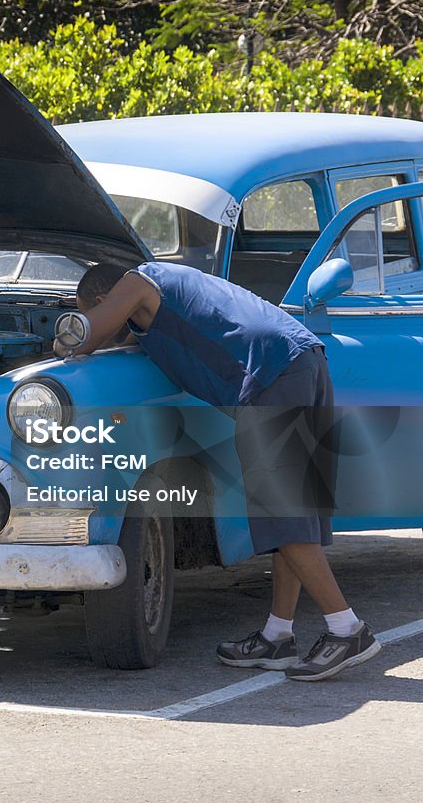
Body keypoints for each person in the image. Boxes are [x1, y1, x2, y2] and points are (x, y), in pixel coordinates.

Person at [54, 260, 382, 682]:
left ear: (103, 299)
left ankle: (347, 629)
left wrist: (64, 340)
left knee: (279, 514)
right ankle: (278, 634)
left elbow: (84, 336)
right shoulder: (168, 282)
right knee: (291, 512)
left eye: (96, 307)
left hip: (271, 373)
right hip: (301, 359)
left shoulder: (135, 282)